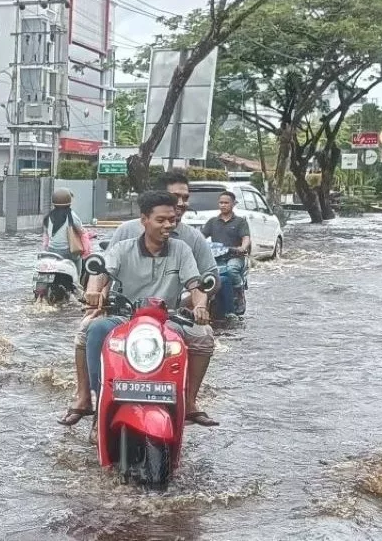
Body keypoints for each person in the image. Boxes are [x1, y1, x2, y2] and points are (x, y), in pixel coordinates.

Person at [59, 170, 217, 427]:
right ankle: (96, 401)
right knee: (92, 328)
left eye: (172, 220)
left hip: (168, 320)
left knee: (204, 336)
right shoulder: (123, 244)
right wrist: (95, 293)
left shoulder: (184, 247)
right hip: (123, 317)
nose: (169, 224)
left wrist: (200, 305)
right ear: (144, 220)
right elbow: (103, 273)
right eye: (162, 220)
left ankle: (188, 402)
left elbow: (196, 283)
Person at [201, 191, 251, 321]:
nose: (223, 205)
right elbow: (200, 238)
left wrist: (242, 247)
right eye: (221, 202)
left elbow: (246, 238)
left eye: (226, 203)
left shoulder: (240, 222)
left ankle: (238, 294)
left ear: (233, 204)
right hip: (216, 258)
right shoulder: (212, 222)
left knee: (231, 269)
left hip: (234, 257)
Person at [42, 187, 90, 268]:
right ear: (69, 201)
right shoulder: (71, 215)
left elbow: (46, 236)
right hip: (68, 251)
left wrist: (45, 249)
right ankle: (77, 279)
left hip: (51, 250)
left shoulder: (48, 216)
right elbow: (81, 232)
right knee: (79, 260)